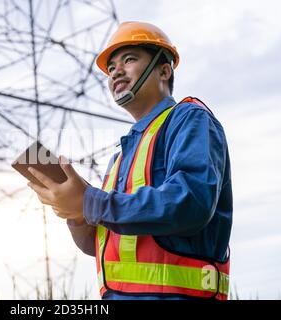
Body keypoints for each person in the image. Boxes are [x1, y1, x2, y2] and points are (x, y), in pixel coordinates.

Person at [27, 21, 232, 300]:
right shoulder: (121, 157)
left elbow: (191, 203)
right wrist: (75, 212)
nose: (116, 72)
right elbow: (102, 242)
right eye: (110, 68)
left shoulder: (189, 119)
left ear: (164, 70)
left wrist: (90, 201)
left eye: (129, 59)